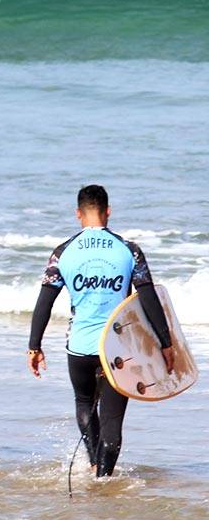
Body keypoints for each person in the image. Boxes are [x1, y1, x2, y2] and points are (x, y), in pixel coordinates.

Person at [28, 184, 174, 478]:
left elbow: (44, 302)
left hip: (79, 347)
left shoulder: (62, 253)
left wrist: (35, 346)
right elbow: (148, 299)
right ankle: (102, 479)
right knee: (113, 423)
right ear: (108, 211)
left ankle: (94, 463)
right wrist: (166, 343)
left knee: (84, 404)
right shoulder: (129, 250)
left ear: (78, 214)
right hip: (118, 351)